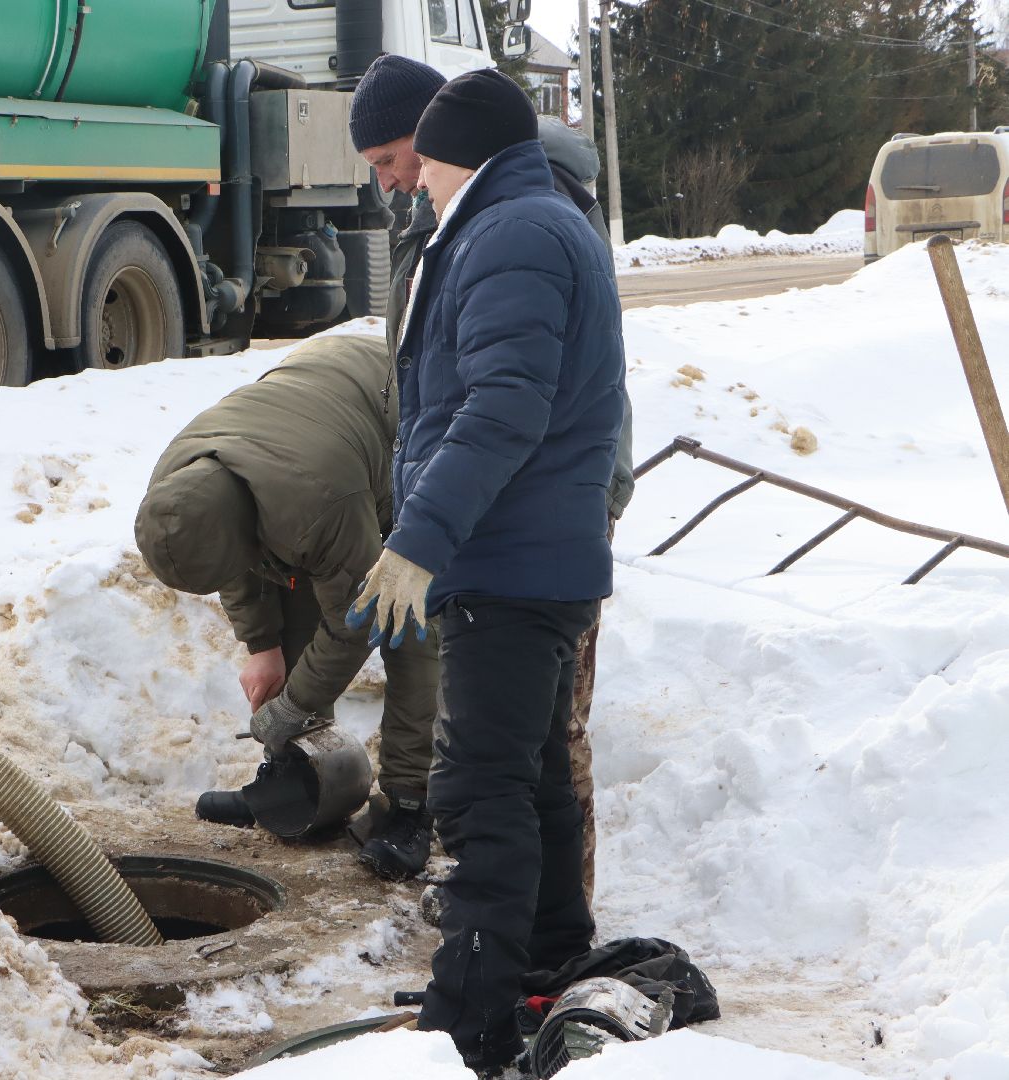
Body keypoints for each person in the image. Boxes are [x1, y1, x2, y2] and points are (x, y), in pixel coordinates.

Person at [347, 70, 626, 1073]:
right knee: (535, 776)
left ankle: (473, 1012)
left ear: (461, 155)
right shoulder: (517, 223)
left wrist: (420, 536)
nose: (414, 183)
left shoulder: (511, 232)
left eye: (424, 165)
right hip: (529, 555)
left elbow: (504, 409)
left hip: (511, 560)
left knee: (479, 789)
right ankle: (548, 961)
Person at [133, 334, 437, 880]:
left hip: (403, 413)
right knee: (295, 585)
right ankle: (302, 784)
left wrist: (293, 706)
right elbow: (235, 558)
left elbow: (357, 620)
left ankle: (408, 805)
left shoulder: (322, 500)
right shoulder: (178, 485)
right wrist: (263, 646)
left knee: (404, 618)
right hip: (308, 422)